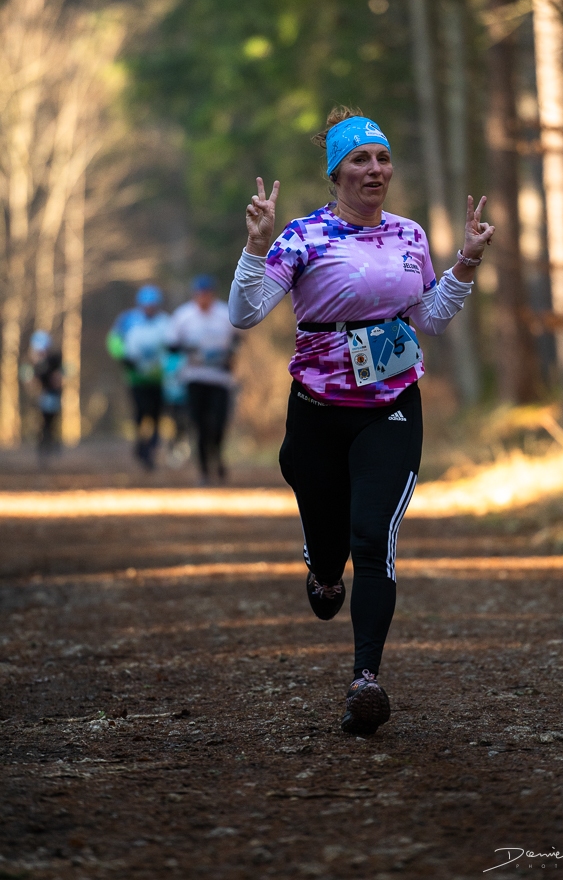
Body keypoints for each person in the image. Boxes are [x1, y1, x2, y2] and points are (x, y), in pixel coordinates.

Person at [228, 106, 494, 735]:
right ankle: (322, 571)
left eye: (383, 158)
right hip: (318, 412)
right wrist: (255, 247)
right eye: (360, 159)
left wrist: (465, 263)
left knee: (373, 538)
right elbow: (245, 313)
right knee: (331, 547)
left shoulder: (409, 235)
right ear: (336, 172)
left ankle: (365, 680)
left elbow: (429, 318)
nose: (375, 169)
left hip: (391, 406)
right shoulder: (303, 237)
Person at [166, 275, 241, 483]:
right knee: (198, 425)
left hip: (220, 379)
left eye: (207, 294)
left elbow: (238, 338)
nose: (203, 298)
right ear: (195, 295)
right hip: (194, 378)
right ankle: (204, 470)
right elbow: (171, 345)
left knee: (219, 424)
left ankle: (217, 454)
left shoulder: (225, 313)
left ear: (213, 294)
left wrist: (230, 355)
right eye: (200, 294)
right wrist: (188, 350)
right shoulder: (183, 315)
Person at [107, 285, 169, 470]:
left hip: (158, 379)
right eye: (146, 305)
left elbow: (174, 346)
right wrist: (123, 356)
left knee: (156, 414)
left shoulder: (165, 322)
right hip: (135, 378)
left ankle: (153, 443)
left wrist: (170, 367)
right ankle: (141, 442)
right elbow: (113, 340)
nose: (149, 309)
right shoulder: (128, 319)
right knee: (140, 412)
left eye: (152, 306)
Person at [25, 331, 62, 460]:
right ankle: (44, 449)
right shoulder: (34, 364)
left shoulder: (54, 360)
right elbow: (30, 380)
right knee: (43, 424)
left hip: (52, 396)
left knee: (51, 423)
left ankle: (51, 448)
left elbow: (60, 377)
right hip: (41, 398)